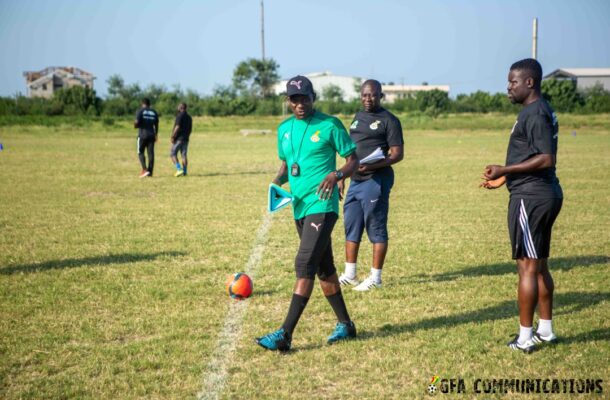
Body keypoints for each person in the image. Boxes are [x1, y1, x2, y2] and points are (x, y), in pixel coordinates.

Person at [255, 75, 359, 351]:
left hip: (322, 205)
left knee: (304, 264)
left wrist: (336, 175)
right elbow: (288, 165)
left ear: (313, 98)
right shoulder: (284, 129)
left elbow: (353, 160)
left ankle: (284, 335)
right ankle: (346, 325)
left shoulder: (330, 124)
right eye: (294, 99)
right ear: (288, 102)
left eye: (305, 98)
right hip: (299, 205)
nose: (300, 103)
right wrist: (276, 183)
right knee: (324, 269)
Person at [481, 58, 563, 353]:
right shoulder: (537, 110)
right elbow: (532, 155)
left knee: (527, 267)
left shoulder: (535, 112)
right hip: (539, 192)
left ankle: (525, 338)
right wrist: (506, 178)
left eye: (513, 82)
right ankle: (546, 331)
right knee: (539, 265)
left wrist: (505, 170)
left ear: (530, 82)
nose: (508, 87)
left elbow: (545, 158)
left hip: (532, 197)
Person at [337, 79, 404, 291]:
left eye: (373, 95)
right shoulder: (357, 118)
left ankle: (375, 278)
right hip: (356, 180)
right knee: (352, 225)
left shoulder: (389, 121)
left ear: (381, 96)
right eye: (365, 95)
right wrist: (343, 177)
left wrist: (376, 164)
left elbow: (397, 154)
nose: (368, 99)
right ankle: (350, 274)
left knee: (375, 227)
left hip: (375, 180)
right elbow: (351, 153)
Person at [134, 98, 159, 178]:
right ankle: (150, 172)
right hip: (152, 135)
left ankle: (144, 170)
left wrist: (135, 125)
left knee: (140, 152)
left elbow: (137, 122)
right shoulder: (154, 112)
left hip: (142, 135)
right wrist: (156, 134)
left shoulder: (140, 111)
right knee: (151, 153)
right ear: (149, 104)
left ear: (142, 103)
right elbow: (156, 124)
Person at [170, 102, 193, 177]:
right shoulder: (189, 117)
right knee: (184, 155)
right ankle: (185, 171)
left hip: (179, 138)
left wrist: (173, 136)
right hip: (186, 139)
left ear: (180, 107)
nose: (177, 107)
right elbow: (190, 129)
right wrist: (187, 136)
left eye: (178, 106)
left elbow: (177, 127)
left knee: (173, 154)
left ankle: (179, 169)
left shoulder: (179, 115)